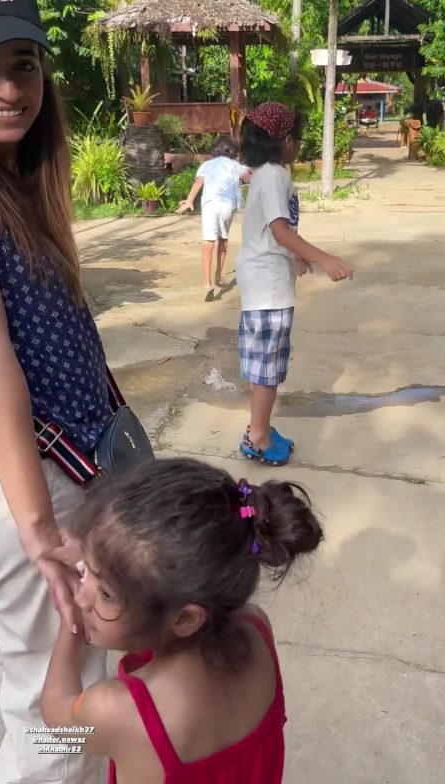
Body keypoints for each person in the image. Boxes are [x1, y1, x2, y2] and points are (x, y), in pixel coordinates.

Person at [0, 0, 107, 784]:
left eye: (21, 64)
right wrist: (39, 532)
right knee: (62, 709)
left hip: (49, 474)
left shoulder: (17, 185)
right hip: (30, 483)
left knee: (18, 684)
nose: (7, 88)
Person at [41, 457, 324, 784]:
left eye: (105, 593)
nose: (82, 595)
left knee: (37, 742)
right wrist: (102, 559)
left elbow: (58, 724)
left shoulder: (120, 712)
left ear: (187, 618)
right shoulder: (255, 626)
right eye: (84, 572)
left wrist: (69, 624)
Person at [236, 102, 353, 466]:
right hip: (267, 289)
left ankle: (261, 426)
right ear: (285, 141)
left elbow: (271, 232)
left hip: (264, 283)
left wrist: (297, 256)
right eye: (298, 139)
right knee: (268, 369)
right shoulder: (274, 175)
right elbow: (278, 229)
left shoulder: (266, 174)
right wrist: (323, 257)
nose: (299, 146)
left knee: (265, 366)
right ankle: (257, 436)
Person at [177, 135, 250, 302]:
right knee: (223, 240)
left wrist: (189, 201)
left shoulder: (206, 165)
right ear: (232, 150)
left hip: (210, 205)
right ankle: (218, 276)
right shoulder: (235, 166)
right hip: (227, 206)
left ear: (215, 149)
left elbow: (198, 184)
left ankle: (207, 285)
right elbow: (251, 178)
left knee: (208, 244)